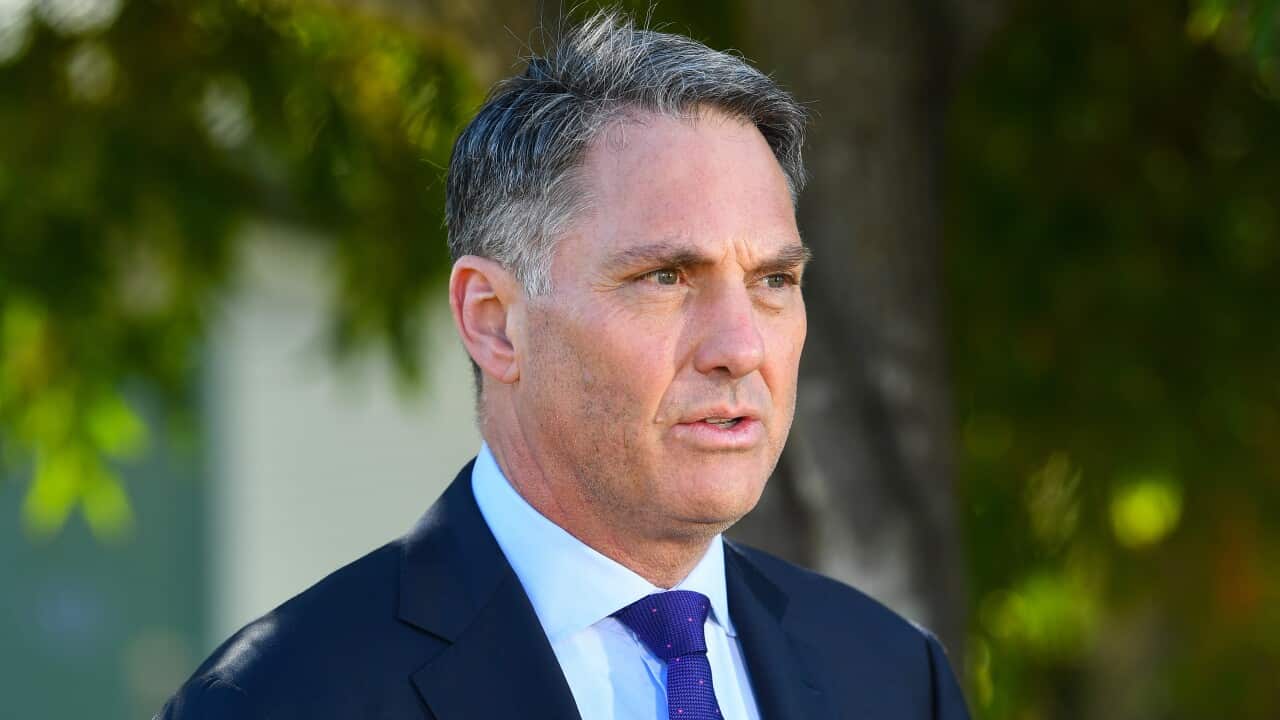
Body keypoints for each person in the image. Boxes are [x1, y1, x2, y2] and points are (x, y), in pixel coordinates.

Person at [158, 10, 970, 720]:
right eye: (666, 277)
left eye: (773, 281)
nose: (740, 348)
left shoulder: (893, 678)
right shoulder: (280, 700)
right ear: (495, 322)